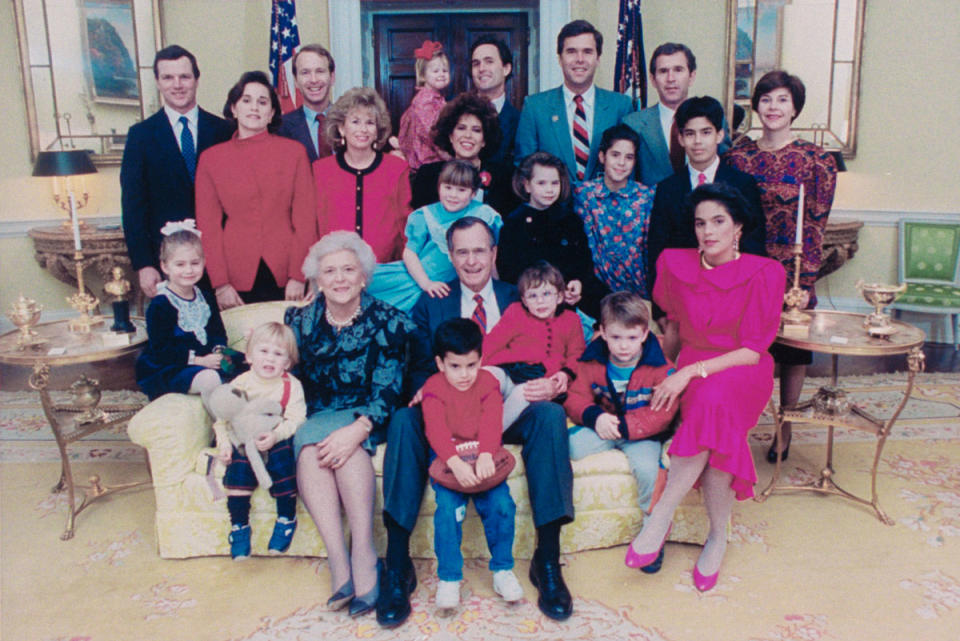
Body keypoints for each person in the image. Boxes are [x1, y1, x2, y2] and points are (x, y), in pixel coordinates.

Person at [377, 217, 575, 627]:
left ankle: (548, 559)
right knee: (402, 421)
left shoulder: (518, 296)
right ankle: (397, 563)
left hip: (509, 406)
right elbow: (415, 363)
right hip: (447, 407)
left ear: (494, 253)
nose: (471, 260)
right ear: (450, 256)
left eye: (479, 250)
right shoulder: (432, 301)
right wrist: (424, 388)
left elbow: (566, 341)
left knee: (551, 416)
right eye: (462, 251)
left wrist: (562, 379)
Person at [624, 183, 786, 591]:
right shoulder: (674, 264)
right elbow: (673, 328)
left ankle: (660, 515)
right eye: (700, 223)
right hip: (694, 364)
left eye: (718, 222)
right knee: (717, 426)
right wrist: (664, 372)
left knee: (713, 400)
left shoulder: (766, 273)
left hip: (743, 370)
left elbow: (752, 352)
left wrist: (686, 375)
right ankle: (717, 535)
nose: (708, 231)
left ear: (738, 229)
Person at [285, 231, 419, 617]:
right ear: (317, 278)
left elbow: (390, 389)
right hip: (317, 418)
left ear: (364, 276)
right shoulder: (299, 319)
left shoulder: (390, 321)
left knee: (342, 450)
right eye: (330, 271)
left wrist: (357, 430)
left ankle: (364, 552)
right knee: (312, 449)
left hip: (370, 414)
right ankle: (339, 560)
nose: (340, 278)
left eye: (348, 269)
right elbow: (273, 362)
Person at [724, 70, 837, 463]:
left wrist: (805, 280)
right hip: (747, 268)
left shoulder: (816, 159)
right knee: (744, 348)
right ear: (756, 105)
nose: (774, 107)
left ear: (795, 108)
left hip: (793, 269)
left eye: (783, 100)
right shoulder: (738, 156)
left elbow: (818, 223)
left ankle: (784, 427)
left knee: (790, 351)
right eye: (767, 99)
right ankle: (737, 423)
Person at [422, 318, 524, 609]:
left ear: (481, 360)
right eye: (455, 366)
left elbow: (492, 420)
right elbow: (435, 430)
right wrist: (455, 462)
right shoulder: (433, 388)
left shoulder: (489, 382)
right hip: (449, 458)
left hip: (484, 453)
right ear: (440, 364)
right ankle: (450, 577)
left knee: (502, 505)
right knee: (447, 512)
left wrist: (485, 455)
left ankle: (503, 569)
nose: (465, 374)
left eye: (471, 365)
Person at [195, 70, 317, 310]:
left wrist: (298, 274)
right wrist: (220, 284)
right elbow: (208, 227)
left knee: (289, 344)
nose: (254, 108)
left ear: (272, 113)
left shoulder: (294, 153)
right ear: (233, 108)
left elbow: (305, 219)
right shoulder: (211, 159)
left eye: (263, 102)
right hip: (235, 274)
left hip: (286, 271)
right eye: (246, 100)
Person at [121, 45, 233, 299]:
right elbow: (133, 207)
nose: (177, 84)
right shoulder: (141, 136)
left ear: (196, 79)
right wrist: (144, 264)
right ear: (158, 82)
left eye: (184, 76)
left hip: (222, 261)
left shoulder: (224, 131)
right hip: (169, 265)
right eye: (168, 77)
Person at [564, 292, 677, 536]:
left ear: (645, 334)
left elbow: (664, 412)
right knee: (570, 446)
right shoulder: (591, 360)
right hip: (605, 425)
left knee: (647, 470)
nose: (624, 345)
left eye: (632, 337)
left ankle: (654, 526)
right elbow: (575, 396)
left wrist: (628, 427)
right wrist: (595, 417)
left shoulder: (660, 365)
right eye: (616, 337)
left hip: (643, 433)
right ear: (603, 332)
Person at [646, 95, 766, 314]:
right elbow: (657, 250)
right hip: (682, 301)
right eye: (690, 134)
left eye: (706, 132)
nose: (698, 141)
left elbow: (754, 246)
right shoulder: (667, 188)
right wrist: (661, 311)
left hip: (733, 299)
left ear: (720, 135)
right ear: (680, 138)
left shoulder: (742, 184)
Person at [213, 322, 306, 560]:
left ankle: (286, 517)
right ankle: (239, 527)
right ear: (249, 356)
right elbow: (222, 419)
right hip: (243, 439)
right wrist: (223, 443)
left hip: (274, 437)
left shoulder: (291, 386)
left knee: (284, 461)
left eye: (278, 354)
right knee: (238, 471)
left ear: (287, 363)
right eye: (263, 352)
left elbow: (296, 419)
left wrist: (276, 434)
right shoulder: (240, 384)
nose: (270, 359)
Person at [367, 161, 502, 312]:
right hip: (418, 277)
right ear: (439, 187)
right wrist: (426, 283)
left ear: (473, 193)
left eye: (461, 190)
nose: (453, 195)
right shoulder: (425, 215)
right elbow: (410, 252)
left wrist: (495, 284)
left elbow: (489, 255)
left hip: (453, 285)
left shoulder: (484, 214)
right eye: (448, 187)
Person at [514, 20, 632, 183]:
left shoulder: (621, 106)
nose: (580, 59)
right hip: (552, 206)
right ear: (560, 59)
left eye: (587, 52)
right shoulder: (535, 107)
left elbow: (629, 166)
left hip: (607, 205)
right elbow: (524, 168)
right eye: (571, 51)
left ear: (598, 58)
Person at [497, 151, 608, 319]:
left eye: (554, 183)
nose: (549, 190)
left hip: (571, 298)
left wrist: (578, 283)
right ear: (526, 185)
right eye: (541, 183)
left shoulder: (570, 219)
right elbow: (509, 272)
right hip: (534, 302)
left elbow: (583, 261)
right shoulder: (514, 223)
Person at [314, 88, 412, 264]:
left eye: (370, 123)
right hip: (335, 274)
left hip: (385, 272)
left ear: (377, 130)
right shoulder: (320, 171)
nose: (363, 129)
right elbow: (316, 227)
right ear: (341, 128)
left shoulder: (396, 169)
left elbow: (405, 225)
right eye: (355, 121)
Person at [483, 262, 586, 428]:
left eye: (546, 294)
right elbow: (492, 342)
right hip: (509, 371)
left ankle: (488, 438)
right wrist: (474, 367)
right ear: (524, 300)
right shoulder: (516, 312)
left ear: (559, 297)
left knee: (523, 393)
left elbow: (577, 353)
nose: (540, 301)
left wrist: (566, 374)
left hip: (540, 381)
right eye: (532, 296)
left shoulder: (571, 320)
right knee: (487, 376)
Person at [136, 222, 229, 400]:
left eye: (195, 263)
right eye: (180, 264)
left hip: (206, 355)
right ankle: (222, 425)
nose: (188, 270)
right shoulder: (161, 304)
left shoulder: (206, 296)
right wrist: (201, 361)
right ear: (165, 267)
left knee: (248, 362)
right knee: (210, 378)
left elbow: (218, 333)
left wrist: (218, 352)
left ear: (204, 262)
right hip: (171, 366)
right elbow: (162, 349)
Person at [623, 43, 730, 188]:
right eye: (663, 71)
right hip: (652, 208)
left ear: (691, 76)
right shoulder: (633, 124)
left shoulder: (714, 117)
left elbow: (725, 169)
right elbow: (627, 181)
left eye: (678, 70)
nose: (671, 78)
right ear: (653, 79)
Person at [574, 124, 656, 299]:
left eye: (629, 157)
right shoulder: (584, 195)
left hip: (639, 295)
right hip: (595, 294)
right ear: (602, 156)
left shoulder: (645, 197)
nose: (621, 163)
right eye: (615, 155)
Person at [410, 92, 518, 217]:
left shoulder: (503, 177)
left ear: (484, 140)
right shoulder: (428, 175)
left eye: (476, 130)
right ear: (450, 135)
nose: (468, 135)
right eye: (461, 128)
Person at [397, 40, 450, 171]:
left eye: (445, 70)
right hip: (427, 163)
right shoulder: (424, 100)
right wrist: (447, 154)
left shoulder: (438, 99)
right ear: (423, 75)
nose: (441, 74)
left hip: (433, 161)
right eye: (435, 71)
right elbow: (432, 133)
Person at [277, 44, 336, 163]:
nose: (313, 80)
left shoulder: (350, 121)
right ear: (296, 81)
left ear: (332, 77)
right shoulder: (280, 128)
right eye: (305, 73)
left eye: (320, 71)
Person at [470, 35, 519, 164]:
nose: (481, 69)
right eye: (476, 64)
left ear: (506, 69)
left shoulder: (520, 120)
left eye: (489, 61)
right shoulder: (456, 112)